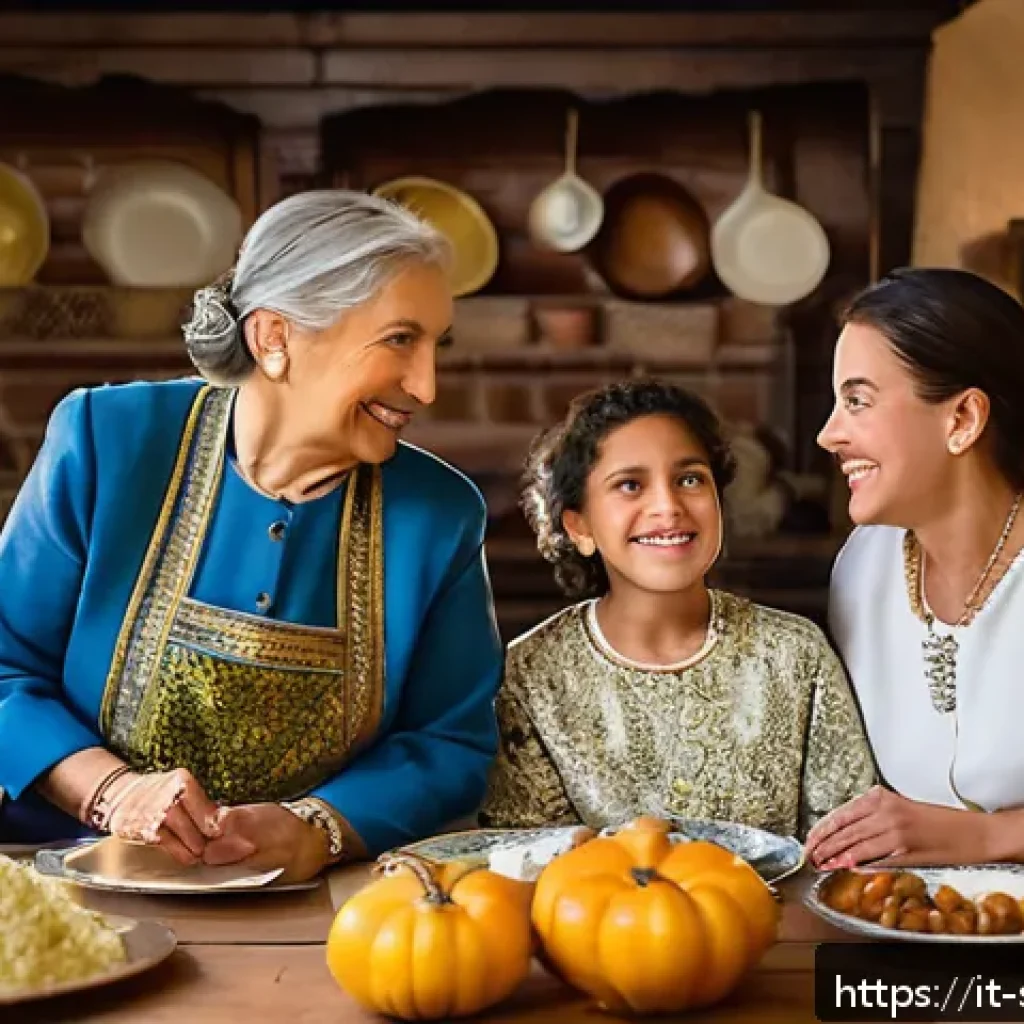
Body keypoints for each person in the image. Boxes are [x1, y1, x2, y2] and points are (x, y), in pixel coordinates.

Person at [0, 190, 503, 881]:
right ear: (273, 339)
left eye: (436, 345)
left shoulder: (441, 514)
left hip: (308, 901)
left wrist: (318, 828)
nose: (426, 386)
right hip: (65, 874)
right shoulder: (107, 440)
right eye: (399, 340)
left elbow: (450, 742)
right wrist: (114, 793)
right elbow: (5, 668)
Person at [479, 379, 874, 839]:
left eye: (689, 480)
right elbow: (528, 854)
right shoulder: (532, 673)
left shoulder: (795, 654)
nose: (668, 507)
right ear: (579, 527)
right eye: (630, 485)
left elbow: (847, 843)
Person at [807, 268, 1024, 871]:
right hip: (928, 920)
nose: (828, 435)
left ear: (963, 419)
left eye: (857, 401)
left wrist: (991, 837)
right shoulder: (862, 568)